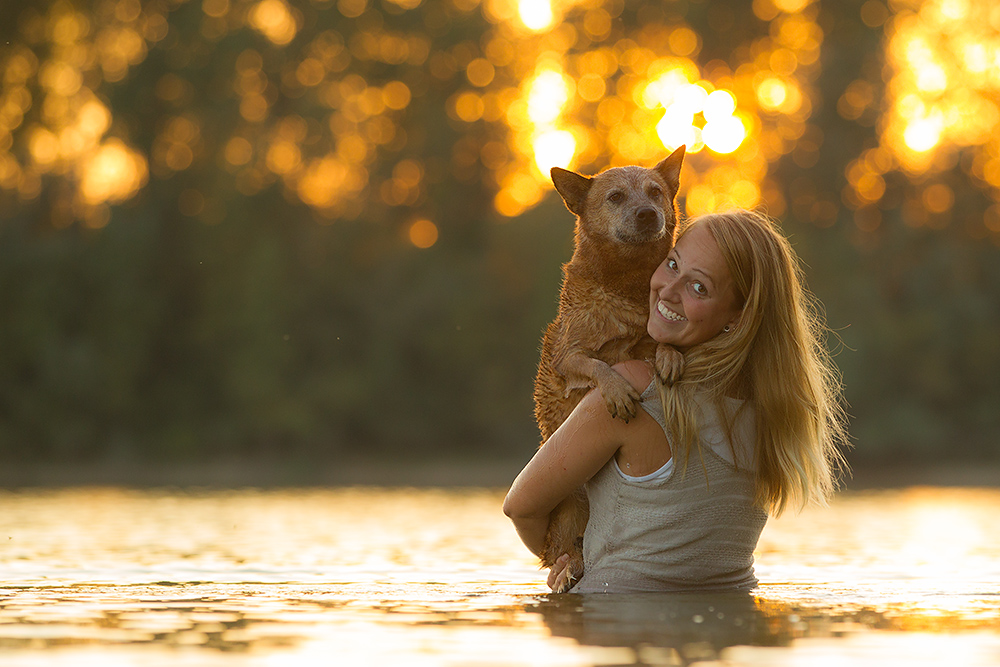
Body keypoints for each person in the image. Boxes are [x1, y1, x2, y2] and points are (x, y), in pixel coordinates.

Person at [503, 209, 848, 593]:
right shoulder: (777, 413)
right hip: (728, 638)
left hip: (613, 626)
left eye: (698, 287)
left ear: (738, 316)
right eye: (671, 264)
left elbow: (521, 506)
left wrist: (570, 562)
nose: (668, 290)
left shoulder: (632, 389)